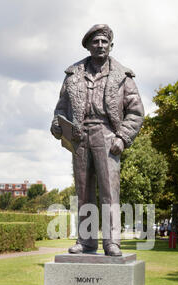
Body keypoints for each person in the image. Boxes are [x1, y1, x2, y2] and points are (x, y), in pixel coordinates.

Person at [51, 24, 144, 256]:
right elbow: (61, 108)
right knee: (83, 192)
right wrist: (57, 123)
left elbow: (136, 112)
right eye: (96, 41)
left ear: (111, 45)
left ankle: (112, 242)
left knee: (109, 191)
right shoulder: (73, 75)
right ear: (88, 45)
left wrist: (123, 137)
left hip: (108, 135)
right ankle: (86, 241)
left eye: (104, 41)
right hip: (79, 136)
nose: (100, 45)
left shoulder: (123, 76)